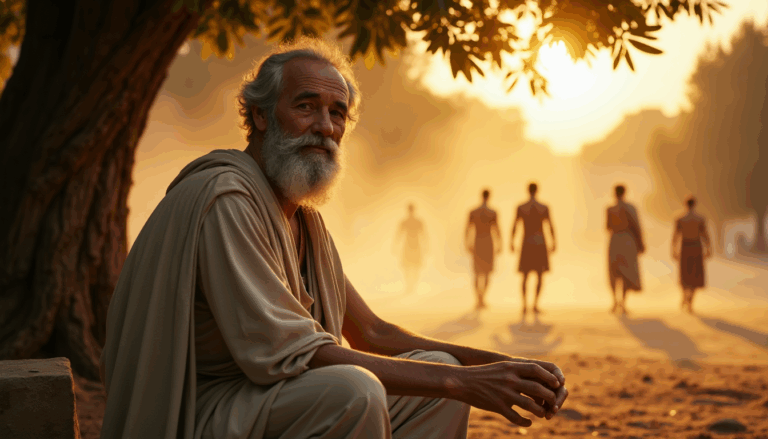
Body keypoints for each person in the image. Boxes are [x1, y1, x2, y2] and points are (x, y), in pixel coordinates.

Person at [98, 38, 568, 439]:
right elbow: (292, 356)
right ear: (261, 117)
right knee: (353, 390)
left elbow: (372, 332)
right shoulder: (228, 199)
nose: (325, 127)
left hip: (268, 401)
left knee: (435, 367)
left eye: (337, 113)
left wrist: (498, 367)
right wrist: (460, 382)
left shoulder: (303, 219)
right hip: (204, 412)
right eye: (306, 106)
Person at [510, 183, 556, 315]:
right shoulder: (543, 207)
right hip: (540, 242)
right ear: (537, 191)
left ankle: (525, 305)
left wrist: (512, 241)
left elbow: (515, 225)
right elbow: (550, 225)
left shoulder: (521, 207)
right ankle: (534, 304)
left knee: (525, 275)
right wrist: (554, 241)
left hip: (527, 242)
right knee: (539, 275)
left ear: (527, 190)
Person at [606, 184, 645, 314]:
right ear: (624, 193)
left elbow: (607, 227)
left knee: (614, 271)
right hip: (628, 240)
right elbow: (636, 227)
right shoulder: (630, 208)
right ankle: (622, 302)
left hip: (615, 239)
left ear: (614, 193)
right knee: (625, 272)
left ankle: (614, 302)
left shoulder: (610, 209)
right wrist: (641, 243)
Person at [672, 196, 712, 313]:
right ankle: (690, 300)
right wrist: (708, 248)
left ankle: (685, 295)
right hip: (696, 246)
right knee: (695, 274)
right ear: (694, 204)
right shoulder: (699, 219)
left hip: (685, 246)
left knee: (685, 273)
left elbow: (675, 236)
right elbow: (705, 235)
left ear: (685, 204)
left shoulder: (680, 218)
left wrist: (674, 250)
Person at [465, 189, 502, 310]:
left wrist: (467, 243)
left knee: (477, 273)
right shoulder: (492, 212)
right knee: (486, 273)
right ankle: (482, 298)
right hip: (488, 242)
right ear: (489, 197)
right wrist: (499, 243)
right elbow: (496, 229)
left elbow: (468, 229)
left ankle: (479, 299)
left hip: (478, 242)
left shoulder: (474, 212)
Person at [395, 203, 427, 294]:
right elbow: (399, 234)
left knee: (415, 266)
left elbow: (424, 235)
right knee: (407, 266)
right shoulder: (405, 222)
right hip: (409, 245)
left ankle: (413, 285)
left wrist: (426, 246)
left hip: (415, 245)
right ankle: (409, 285)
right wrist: (395, 245)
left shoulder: (418, 222)